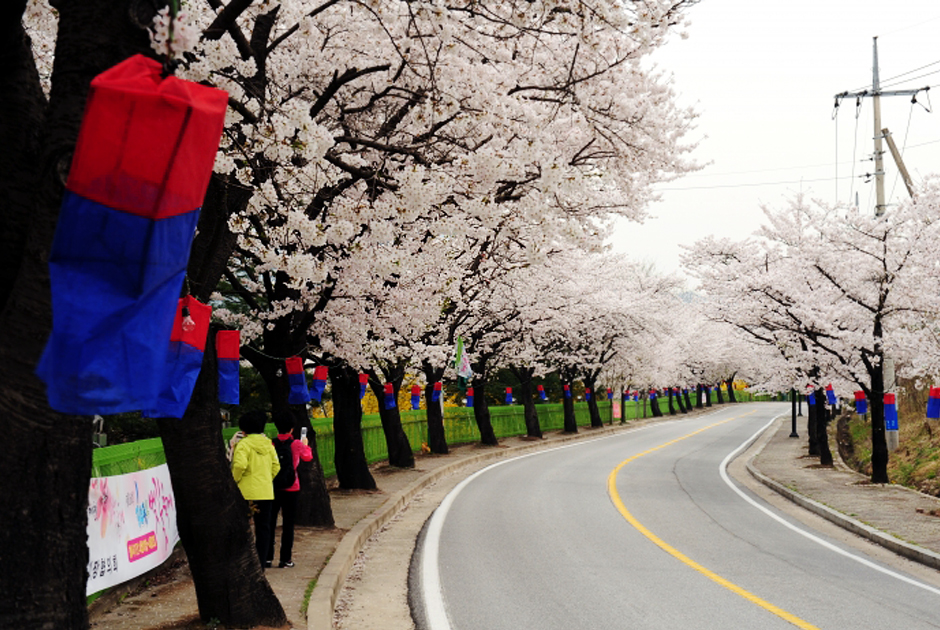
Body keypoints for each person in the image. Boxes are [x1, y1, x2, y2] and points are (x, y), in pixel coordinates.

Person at [231, 410, 280, 568]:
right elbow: (276, 466)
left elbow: (239, 465)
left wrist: (234, 480)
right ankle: (261, 562)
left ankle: (243, 561)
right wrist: (266, 479)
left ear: (243, 430)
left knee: (242, 527)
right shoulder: (268, 444)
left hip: (246, 493)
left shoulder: (243, 444)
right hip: (266, 492)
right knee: (263, 528)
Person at [268, 411, 313, 568]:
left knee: (270, 522)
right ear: (292, 428)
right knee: (288, 524)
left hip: (273, 487)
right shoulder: (296, 444)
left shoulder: (271, 444)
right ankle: (285, 559)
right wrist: (305, 445)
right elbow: (307, 457)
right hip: (292, 487)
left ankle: (268, 557)